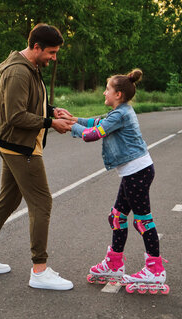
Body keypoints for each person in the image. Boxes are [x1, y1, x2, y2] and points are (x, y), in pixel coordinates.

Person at [0, 24, 75, 291]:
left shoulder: (30, 67)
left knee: (8, 201)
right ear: (36, 47)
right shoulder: (18, 71)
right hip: (20, 147)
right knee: (42, 203)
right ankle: (40, 270)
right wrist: (50, 122)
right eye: (51, 52)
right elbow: (15, 116)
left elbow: (29, 102)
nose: (54, 57)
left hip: (14, 144)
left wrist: (50, 110)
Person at [62, 69, 168, 292]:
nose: (104, 92)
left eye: (107, 89)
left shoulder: (120, 114)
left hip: (137, 172)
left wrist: (71, 127)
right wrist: (73, 118)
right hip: (133, 172)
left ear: (118, 94)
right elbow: (97, 121)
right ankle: (114, 263)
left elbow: (93, 133)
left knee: (142, 220)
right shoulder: (119, 112)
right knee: (117, 217)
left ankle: (155, 269)